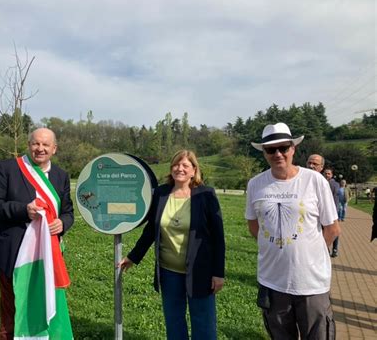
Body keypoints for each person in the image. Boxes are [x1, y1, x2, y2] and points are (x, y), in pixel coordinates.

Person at [245, 122, 340, 340]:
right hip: (273, 280)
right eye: (271, 149)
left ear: (293, 149)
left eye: (283, 148)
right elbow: (253, 226)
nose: (278, 154)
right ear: (264, 153)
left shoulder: (313, 180)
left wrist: (308, 252)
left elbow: (333, 228)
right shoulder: (255, 184)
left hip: (311, 282)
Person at [118, 149, 225, 340]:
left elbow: (218, 237)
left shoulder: (206, 195)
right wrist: (133, 256)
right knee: (174, 321)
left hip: (200, 271)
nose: (180, 168)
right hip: (168, 272)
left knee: (203, 323)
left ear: (194, 170)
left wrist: (218, 273)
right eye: (176, 164)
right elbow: (151, 230)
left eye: (185, 165)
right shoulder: (161, 193)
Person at [0, 128, 74, 340]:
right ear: (29, 144)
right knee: (12, 310)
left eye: (45, 145)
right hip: (13, 253)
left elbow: (68, 211)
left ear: (54, 149)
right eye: (36, 143)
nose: (40, 149)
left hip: (48, 255)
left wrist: (63, 223)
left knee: (44, 303)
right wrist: (23, 210)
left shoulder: (61, 176)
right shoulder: (8, 169)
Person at [324, 167, 340, 257]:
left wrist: (334, 211)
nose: (327, 175)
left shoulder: (335, 184)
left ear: (332, 175)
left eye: (328, 173)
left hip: (332, 211)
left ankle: (335, 248)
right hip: (322, 211)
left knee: (334, 230)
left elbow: (335, 198)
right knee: (323, 231)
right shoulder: (321, 182)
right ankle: (326, 248)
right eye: (325, 173)